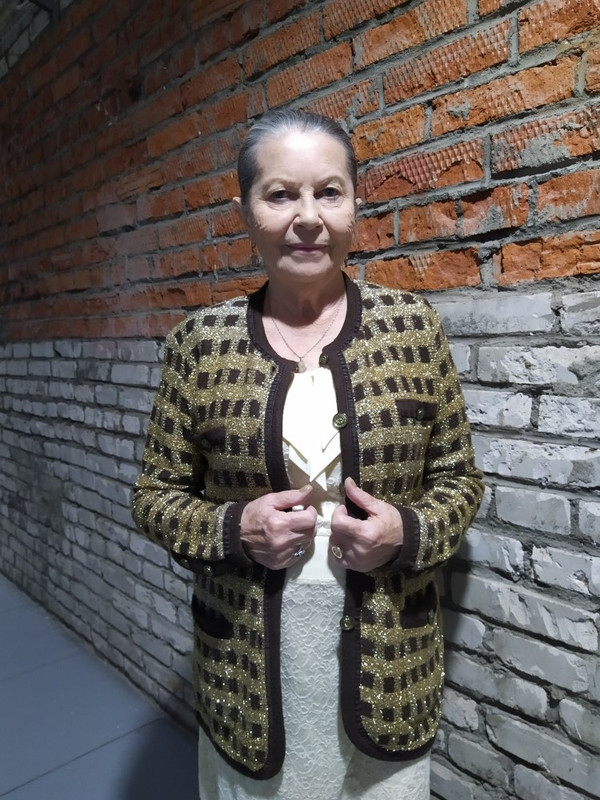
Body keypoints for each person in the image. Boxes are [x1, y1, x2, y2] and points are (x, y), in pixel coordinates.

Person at [131, 109, 484, 799]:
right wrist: (234, 530)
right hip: (245, 662)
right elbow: (153, 498)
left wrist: (405, 532)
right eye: (280, 194)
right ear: (246, 212)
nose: (308, 218)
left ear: (355, 205)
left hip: (389, 658)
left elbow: (459, 479)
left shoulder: (412, 329)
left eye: (328, 192)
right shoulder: (200, 345)